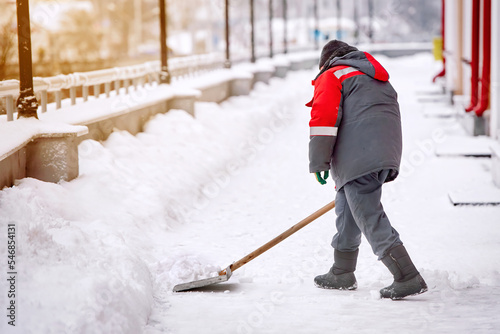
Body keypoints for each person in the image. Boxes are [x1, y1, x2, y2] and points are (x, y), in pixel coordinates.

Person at [306, 40, 427, 299]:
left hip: (359, 154)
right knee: (348, 209)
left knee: (368, 215)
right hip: (384, 150)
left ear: (325, 62)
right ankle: (342, 272)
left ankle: (407, 276)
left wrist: (319, 162)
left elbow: (323, 120)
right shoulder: (372, 74)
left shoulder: (332, 74)